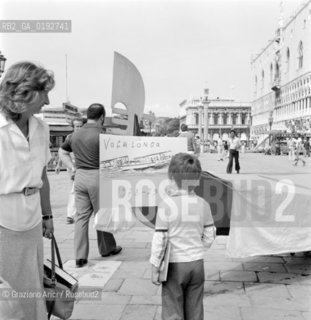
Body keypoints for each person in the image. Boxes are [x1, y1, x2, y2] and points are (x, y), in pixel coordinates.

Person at [0, 61, 55, 320]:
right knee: (8, 300)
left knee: (33, 291)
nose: (47, 100)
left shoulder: (41, 127)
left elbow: (42, 173)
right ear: (25, 92)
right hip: (3, 223)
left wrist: (47, 215)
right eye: (44, 92)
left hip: (31, 221)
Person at [150, 153, 216, 320]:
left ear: (171, 177)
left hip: (174, 265)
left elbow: (160, 239)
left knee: (173, 308)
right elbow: (210, 234)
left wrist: (155, 267)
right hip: (196, 263)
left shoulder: (166, 205)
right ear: (197, 179)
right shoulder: (203, 204)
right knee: (195, 307)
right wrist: (199, 247)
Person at [59, 103, 122, 268]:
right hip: (98, 177)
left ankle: (80, 256)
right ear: (102, 116)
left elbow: (62, 152)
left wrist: (71, 167)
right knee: (102, 215)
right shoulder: (103, 135)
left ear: (88, 116)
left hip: (79, 177)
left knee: (81, 218)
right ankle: (107, 248)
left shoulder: (75, 134)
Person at [55, 118, 85, 224]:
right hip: (72, 166)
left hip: (84, 166)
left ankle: (73, 213)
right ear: (73, 127)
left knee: (76, 189)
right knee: (74, 189)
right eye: (77, 126)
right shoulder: (70, 137)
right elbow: (63, 152)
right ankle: (71, 214)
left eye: (81, 126)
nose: (79, 128)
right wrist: (59, 165)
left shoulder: (86, 136)